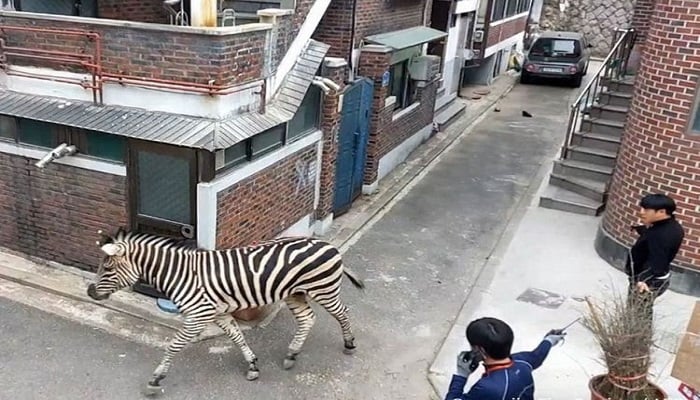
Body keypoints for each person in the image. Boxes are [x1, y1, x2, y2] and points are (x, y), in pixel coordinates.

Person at [444, 317, 566, 400]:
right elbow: (537, 356)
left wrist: (461, 375)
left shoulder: (487, 388)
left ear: (479, 350)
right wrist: (549, 340)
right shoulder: (522, 362)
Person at [626, 193, 685, 322]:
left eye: (646, 210)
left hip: (648, 280)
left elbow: (658, 261)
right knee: (638, 312)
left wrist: (643, 280)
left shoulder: (661, 235)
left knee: (637, 316)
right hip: (652, 277)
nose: (641, 213)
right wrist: (642, 230)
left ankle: (636, 341)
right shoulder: (671, 226)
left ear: (661, 212)